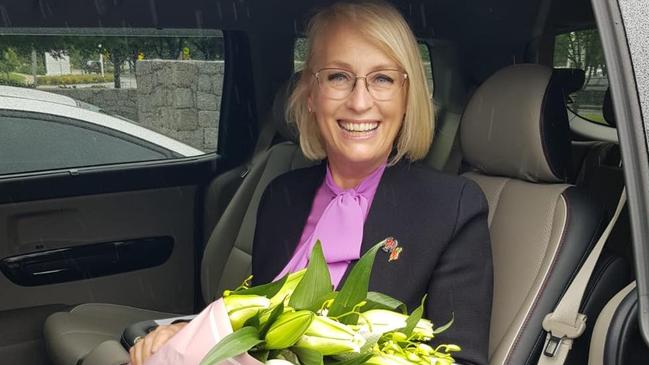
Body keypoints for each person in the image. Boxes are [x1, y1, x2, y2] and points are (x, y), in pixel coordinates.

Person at [130, 1, 492, 365]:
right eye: (338, 76)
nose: (360, 101)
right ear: (310, 95)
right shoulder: (282, 196)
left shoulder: (453, 208)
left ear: (406, 95)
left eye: (382, 78)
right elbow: (261, 326)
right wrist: (186, 333)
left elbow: (460, 359)